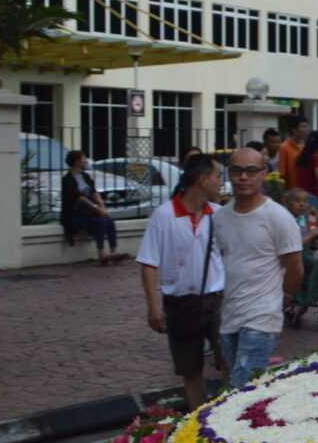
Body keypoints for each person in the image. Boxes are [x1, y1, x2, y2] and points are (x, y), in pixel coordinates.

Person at [137, 155, 227, 409]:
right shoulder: (164, 216)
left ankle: (228, 414)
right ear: (202, 179)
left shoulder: (219, 215)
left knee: (228, 359)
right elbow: (149, 263)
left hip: (218, 299)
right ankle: (198, 418)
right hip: (180, 302)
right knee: (190, 368)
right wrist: (154, 307)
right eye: (218, 176)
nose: (221, 182)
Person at [212, 146, 303, 388]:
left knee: (243, 386)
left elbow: (295, 268)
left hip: (262, 316)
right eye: (237, 171)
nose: (243, 177)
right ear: (229, 174)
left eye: (251, 171)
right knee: (236, 387)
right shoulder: (220, 217)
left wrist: (283, 297)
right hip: (230, 313)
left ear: (264, 173)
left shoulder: (278, 217)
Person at [281, 188, 318, 326]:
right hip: (292, 255)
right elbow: (295, 243)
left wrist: (317, 237)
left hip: (307, 251)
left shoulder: (308, 217)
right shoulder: (285, 220)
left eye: (304, 201)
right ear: (288, 204)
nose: (302, 204)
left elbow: (315, 236)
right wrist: (312, 236)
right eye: (297, 201)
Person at [61, 149, 123, 265]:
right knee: (99, 222)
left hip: (89, 212)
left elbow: (94, 193)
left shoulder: (86, 176)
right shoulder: (67, 179)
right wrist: (97, 208)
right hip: (76, 215)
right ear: (76, 162)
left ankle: (113, 252)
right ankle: (101, 254)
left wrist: (102, 206)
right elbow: (78, 197)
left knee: (109, 221)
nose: (86, 162)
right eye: (83, 160)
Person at [291, 130, 318, 215]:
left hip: (300, 196)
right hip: (313, 196)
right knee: (313, 224)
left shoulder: (300, 156)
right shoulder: (315, 157)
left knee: (302, 223)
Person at [276, 117, 308, 193]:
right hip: (292, 192)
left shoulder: (307, 146)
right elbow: (282, 174)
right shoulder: (284, 147)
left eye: (306, 126)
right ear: (294, 130)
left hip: (306, 191)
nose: (306, 130)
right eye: (303, 126)